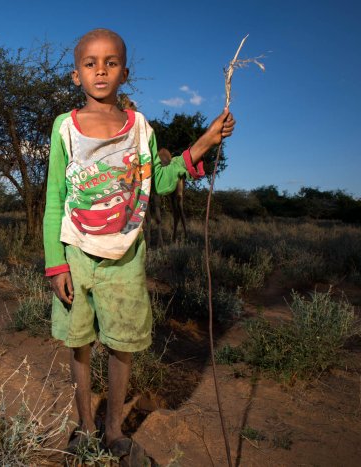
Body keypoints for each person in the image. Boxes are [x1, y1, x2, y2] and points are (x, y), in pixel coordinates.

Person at [42, 28, 235, 464]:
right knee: (80, 344)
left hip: (126, 257)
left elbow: (161, 180)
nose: (101, 71)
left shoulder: (140, 128)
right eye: (90, 64)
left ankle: (113, 432)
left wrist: (204, 143)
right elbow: (55, 198)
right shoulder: (64, 128)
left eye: (110, 63)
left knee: (122, 344)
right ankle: (86, 428)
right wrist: (56, 264)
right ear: (76, 75)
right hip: (75, 252)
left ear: (124, 72)